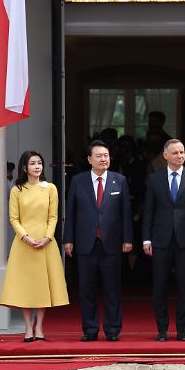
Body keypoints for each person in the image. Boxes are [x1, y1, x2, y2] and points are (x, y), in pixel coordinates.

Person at [64, 140, 133, 342]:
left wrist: (128, 238)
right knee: (86, 289)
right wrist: (68, 239)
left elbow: (125, 213)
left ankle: (112, 330)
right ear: (89, 159)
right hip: (86, 243)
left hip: (111, 243)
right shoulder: (78, 181)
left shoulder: (119, 180)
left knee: (112, 289)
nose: (104, 159)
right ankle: (90, 329)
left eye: (106, 155)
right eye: (99, 156)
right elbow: (71, 212)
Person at [0, 151, 69, 341]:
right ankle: (28, 327)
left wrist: (48, 237)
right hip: (24, 244)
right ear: (24, 168)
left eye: (40, 163)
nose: (37, 166)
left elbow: (53, 216)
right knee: (25, 286)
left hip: (46, 242)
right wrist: (25, 237)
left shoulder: (50, 188)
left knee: (41, 286)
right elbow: (14, 218)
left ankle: (39, 326)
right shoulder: (17, 190)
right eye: (33, 163)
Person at [143, 139, 185, 341]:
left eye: (182, 152)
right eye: (176, 153)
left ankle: (182, 330)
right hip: (160, 239)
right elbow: (149, 211)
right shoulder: (155, 179)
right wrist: (146, 239)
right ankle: (161, 330)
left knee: (184, 286)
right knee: (159, 285)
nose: (180, 156)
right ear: (166, 155)